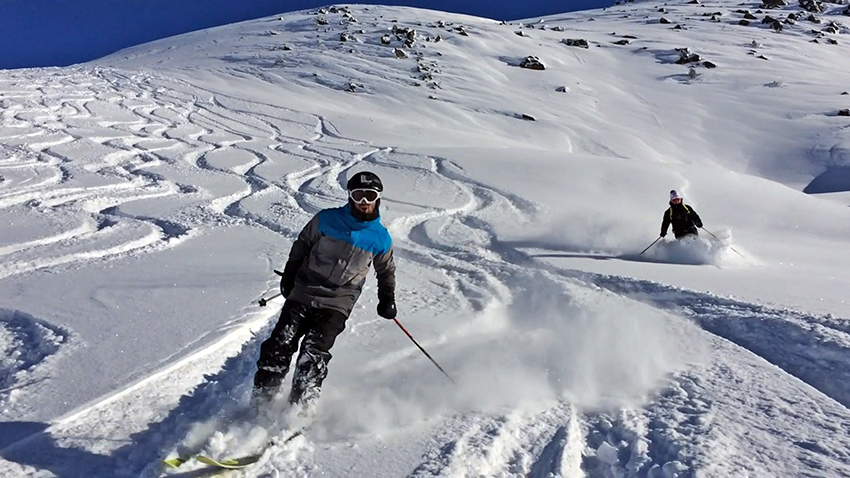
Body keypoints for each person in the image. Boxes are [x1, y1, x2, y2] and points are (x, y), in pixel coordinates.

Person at [253, 171, 396, 411]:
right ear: (349, 196)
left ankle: (299, 410)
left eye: (369, 196)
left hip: (338, 302)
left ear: (377, 198)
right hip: (304, 291)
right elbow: (303, 244)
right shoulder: (326, 219)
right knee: (279, 343)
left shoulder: (380, 238)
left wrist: (387, 298)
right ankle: (262, 401)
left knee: (313, 352)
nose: (363, 202)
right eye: (358, 195)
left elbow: (386, 271)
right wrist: (290, 273)